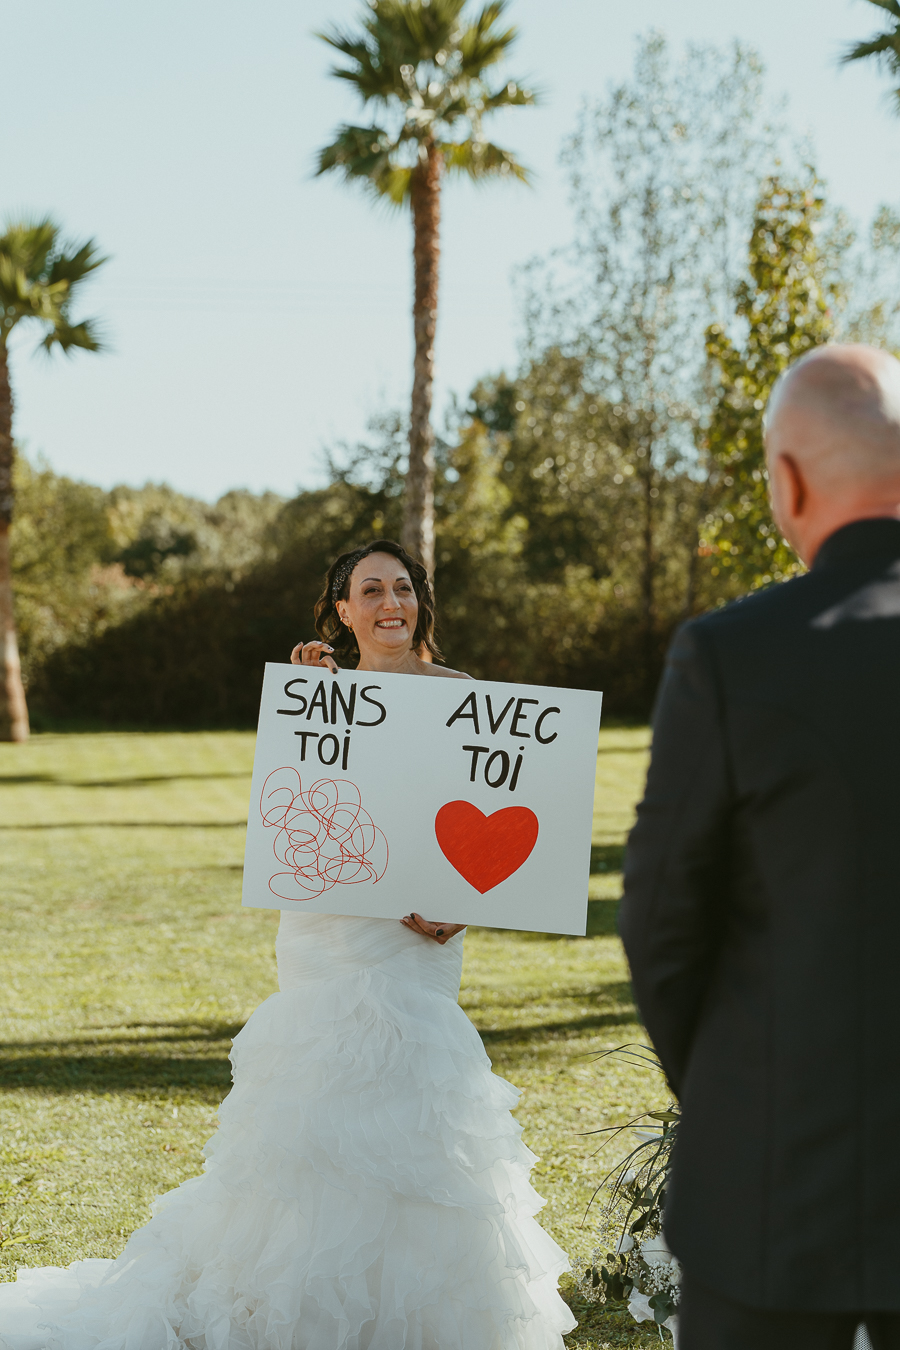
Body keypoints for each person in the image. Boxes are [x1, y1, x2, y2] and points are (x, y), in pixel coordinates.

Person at [0, 539, 576, 1350]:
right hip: (332, 928)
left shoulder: (463, 697)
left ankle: (413, 1308)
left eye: (402, 588)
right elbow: (297, 808)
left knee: (417, 1088)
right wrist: (312, 692)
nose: (389, 603)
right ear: (342, 610)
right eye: (369, 590)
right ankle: (287, 1301)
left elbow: (482, 829)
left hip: (418, 943)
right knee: (320, 1093)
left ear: (420, 602)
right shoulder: (323, 693)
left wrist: (460, 908)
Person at [619, 344, 900, 1350]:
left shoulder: (732, 654)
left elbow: (659, 927)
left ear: (787, 479)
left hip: (774, 1186)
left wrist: (748, 1088)